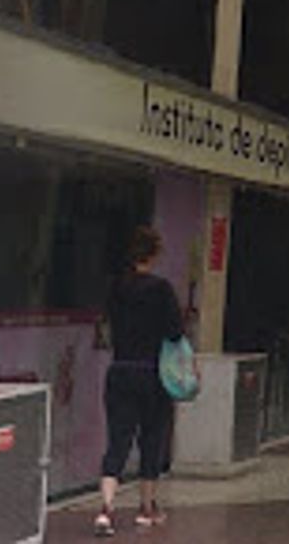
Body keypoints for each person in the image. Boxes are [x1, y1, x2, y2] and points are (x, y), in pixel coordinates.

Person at [96, 227, 185, 537]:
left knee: (117, 441)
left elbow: (106, 326)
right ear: (154, 254)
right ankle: (146, 509)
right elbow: (175, 332)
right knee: (152, 440)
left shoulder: (115, 287)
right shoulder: (161, 289)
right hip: (152, 373)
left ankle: (106, 509)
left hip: (119, 371)